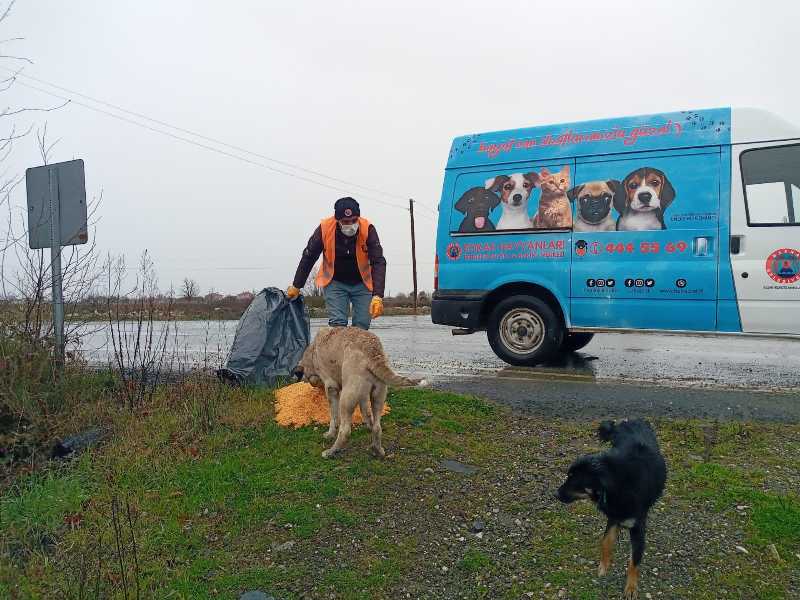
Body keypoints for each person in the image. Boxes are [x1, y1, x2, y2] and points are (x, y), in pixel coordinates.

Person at [288, 197, 386, 329]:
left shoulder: (368, 229)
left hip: (362, 283)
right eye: (345, 222)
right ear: (337, 220)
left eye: (354, 220)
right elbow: (309, 256)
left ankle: (356, 350)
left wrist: (378, 295)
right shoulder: (324, 229)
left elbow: (378, 261)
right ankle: (339, 349)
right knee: (338, 324)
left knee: (362, 325)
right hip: (335, 282)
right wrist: (297, 285)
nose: (350, 224)